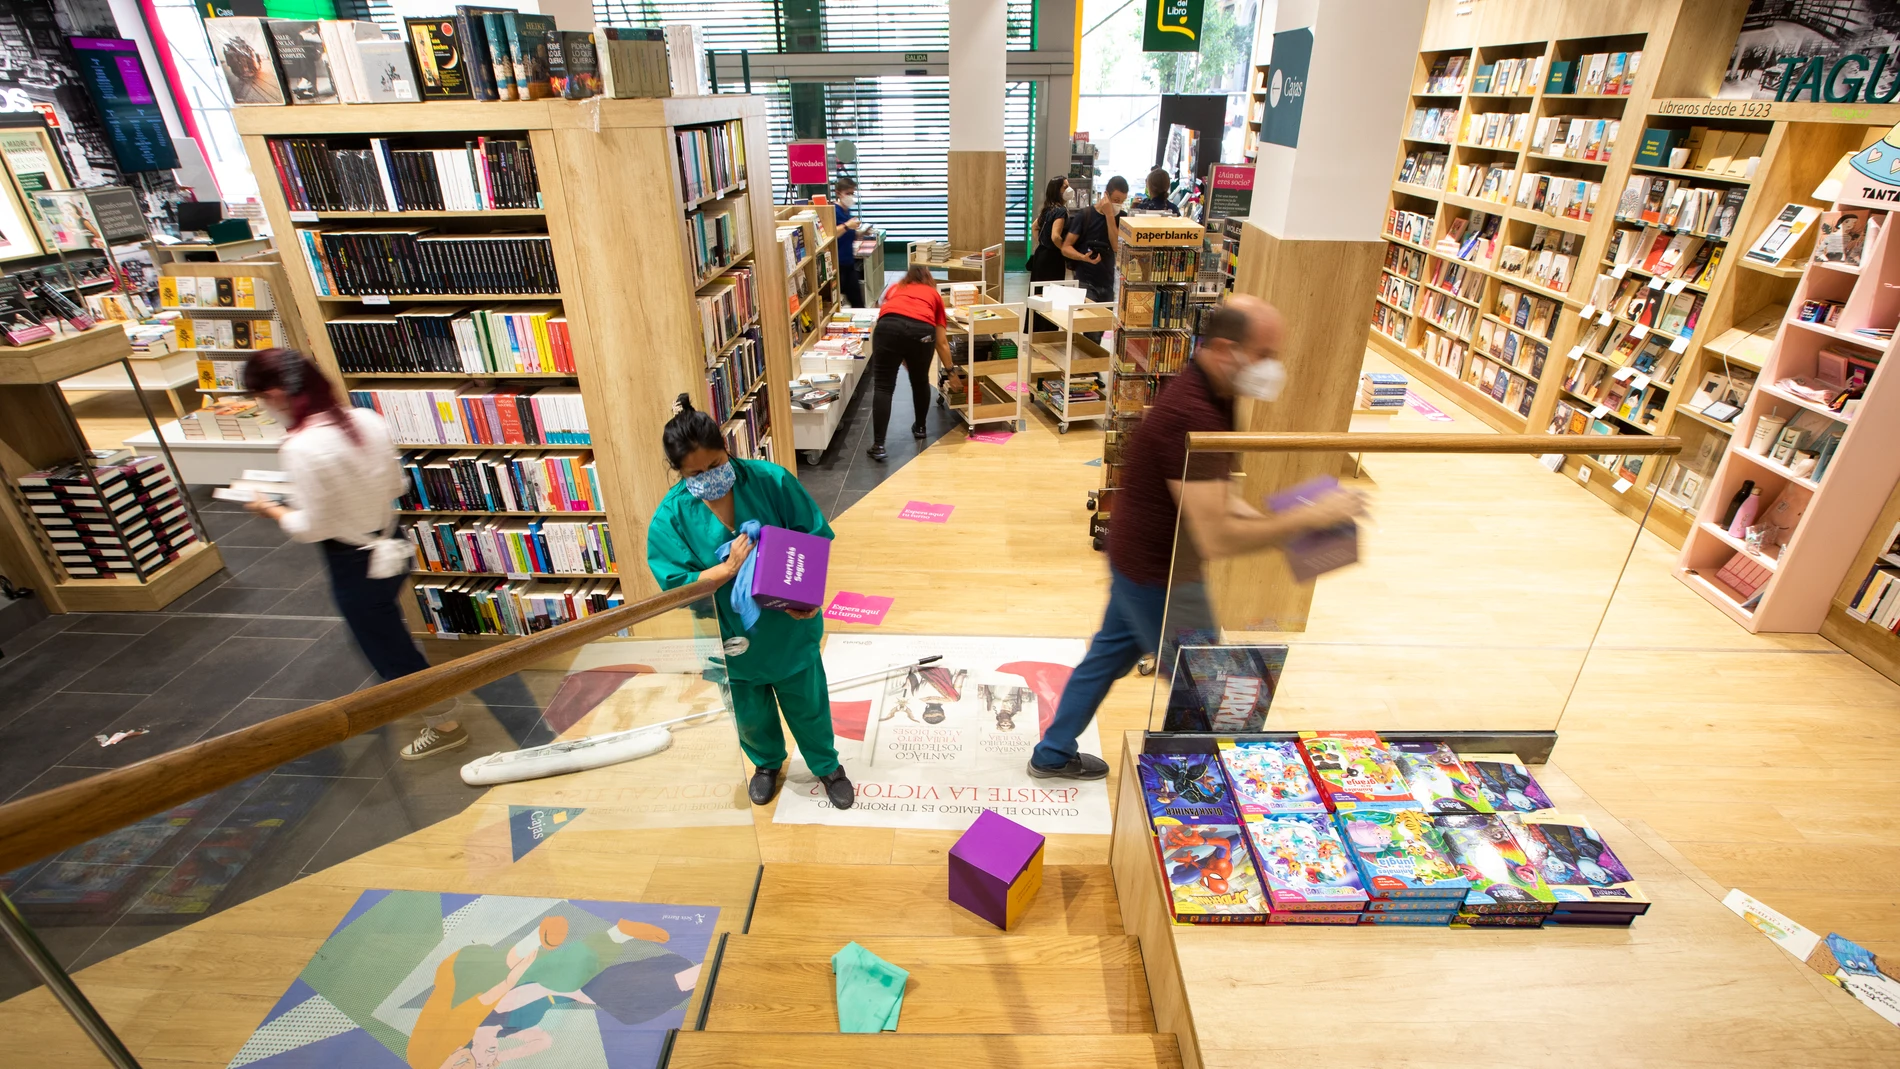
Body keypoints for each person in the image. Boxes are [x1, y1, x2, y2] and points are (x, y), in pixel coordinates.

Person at [1027, 297, 1368, 780]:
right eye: (1266, 354)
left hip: (1141, 559)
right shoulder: (1195, 412)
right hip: (1160, 576)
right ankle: (1203, 794)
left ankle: (1052, 752)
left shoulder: (1214, 393)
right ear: (1227, 349)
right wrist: (1302, 523)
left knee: (1108, 658)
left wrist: (1299, 514)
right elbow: (1218, 537)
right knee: (1218, 690)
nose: (1274, 368)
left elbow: (1217, 496)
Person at [241, 349, 467, 761]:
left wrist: (270, 508)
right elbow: (398, 485)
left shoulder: (301, 447)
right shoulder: (365, 420)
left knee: (386, 647)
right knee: (386, 628)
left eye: (261, 397)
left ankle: (444, 723)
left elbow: (311, 527)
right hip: (391, 540)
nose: (263, 406)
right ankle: (430, 705)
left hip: (354, 559)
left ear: (276, 394)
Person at [645, 396, 854, 810]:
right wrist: (725, 571)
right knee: (748, 710)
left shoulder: (769, 480)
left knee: (807, 699)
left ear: (728, 447)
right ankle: (765, 763)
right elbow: (676, 584)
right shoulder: (671, 517)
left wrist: (808, 598)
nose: (709, 477)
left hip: (787, 625)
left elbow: (811, 536)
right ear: (680, 473)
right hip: (729, 634)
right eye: (696, 474)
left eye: (715, 464)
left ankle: (826, 765)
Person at [865, 263, 954, 462]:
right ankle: (921, 427)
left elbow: (891, 316)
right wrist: (951, 371)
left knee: (883, 386)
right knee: (920, 379)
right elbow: (941, 341)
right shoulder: (933, 295)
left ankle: (879, 445)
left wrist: (901, 352)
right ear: (928, 278)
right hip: (922, 331)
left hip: (887, 329)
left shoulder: (896, 288)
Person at [1027, 175, 1102, 331]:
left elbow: (1034, 227)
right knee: (1051, 295)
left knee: (1038, 294)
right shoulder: (1060, 211)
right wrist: (1063, 248)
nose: (1068, 189)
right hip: (1052, 260)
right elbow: (1056, 235)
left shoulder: (1048, 208)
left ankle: (1036, 331)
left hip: (1041, 256)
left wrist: (1042, 243)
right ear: (1057, 190)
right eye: (1064, 186)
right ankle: (1047, 331)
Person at [1064, 174, 1129, 307]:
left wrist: (1109, 215)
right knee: (1089, 325)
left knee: (1104, 326)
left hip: (1109, 282)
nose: (1119, 204)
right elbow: (1066, 247)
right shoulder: (1085, 215)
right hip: (1085, 281)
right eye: (1116, 200)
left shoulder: (1122, 218)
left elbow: (1116, 246)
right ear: (1106, 195)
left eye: (1122, 201)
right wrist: (1083, 257)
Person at [833, 176, 865, 308]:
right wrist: (847, 226)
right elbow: (832, 233)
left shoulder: (847, 211)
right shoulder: (834, 211)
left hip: (849, 263)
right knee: (835, 302)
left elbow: (847, 234)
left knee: (857, 301)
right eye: (847, 193)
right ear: (838, 193)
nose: (850, 197)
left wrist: (859, 233)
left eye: (852, 193)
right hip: (838, 266)